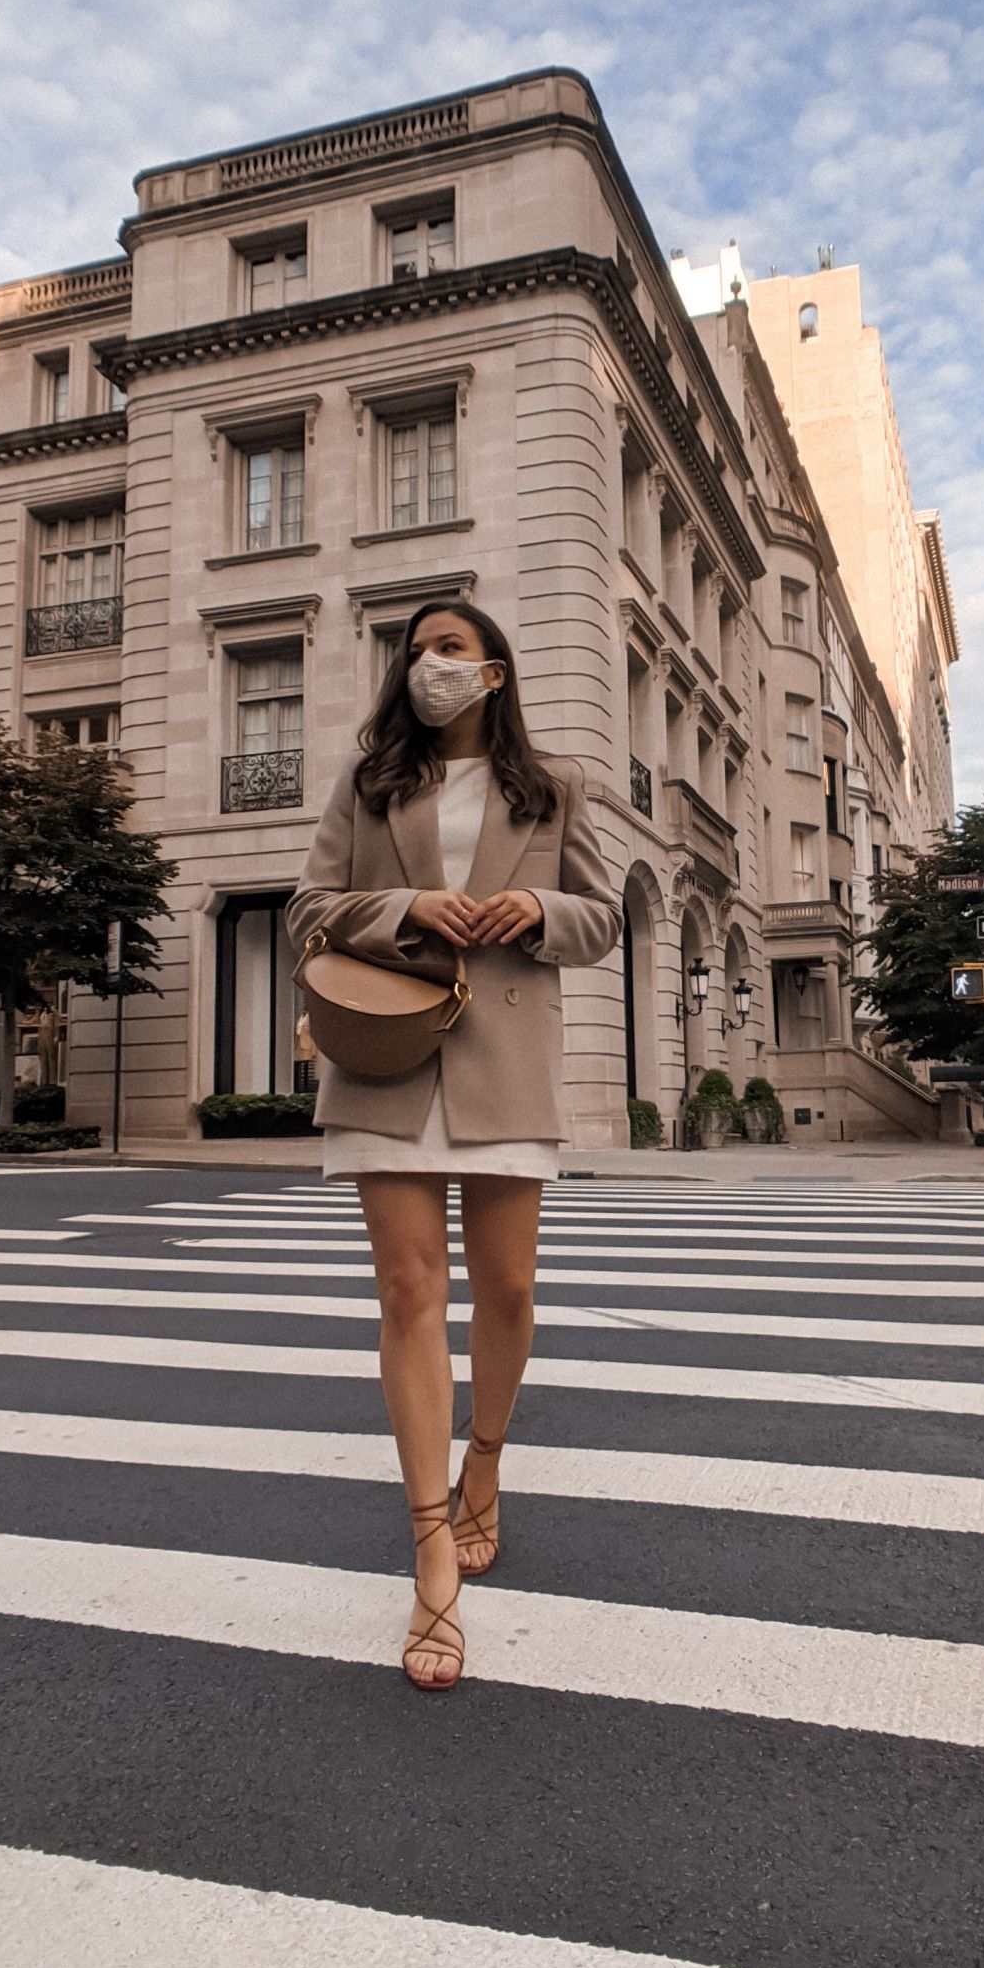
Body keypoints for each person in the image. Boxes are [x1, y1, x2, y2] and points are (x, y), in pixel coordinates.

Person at [288, 600, 621, 1690]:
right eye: (417, 650)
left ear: (494, 672)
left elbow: (604, 918)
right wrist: (408, 908)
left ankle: (485, 1462)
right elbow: (309, 908)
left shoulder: (554, 787)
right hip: (387, 1059)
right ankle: (431, 1547)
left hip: (505, 1060)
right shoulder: (370, 780)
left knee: (510, 1290)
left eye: (449, 648)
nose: (427, 664)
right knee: (405, 1291)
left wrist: (528, 905)